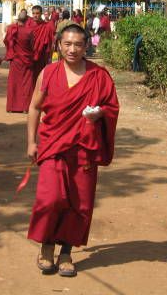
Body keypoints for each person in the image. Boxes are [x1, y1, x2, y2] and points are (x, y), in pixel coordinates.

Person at [26, 24, 120, 277]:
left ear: (86, 45)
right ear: (58, 45)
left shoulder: (99, 76)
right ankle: (46, 246)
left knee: (79, 202)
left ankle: (66, 251)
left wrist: (99, 113)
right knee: (51, 198)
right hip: (53, 144)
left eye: (78, 44)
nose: (72, 49)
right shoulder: (48, 73)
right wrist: (31, 142)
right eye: (67, 44)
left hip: (83, 148)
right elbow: (35, 107)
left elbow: (111, 107)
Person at [4, 9, 35, 113]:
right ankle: (26, 108)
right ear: (27, 20)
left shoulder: (11, 29)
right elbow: (32, 46)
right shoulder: (29, 31)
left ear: (17, 19)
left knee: (14, 83)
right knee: (27, 84)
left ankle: (12, 107)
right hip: (27, 60)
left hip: (16, 60)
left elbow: (7, 42)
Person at [27, 5, 56, 82]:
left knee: (40, 78)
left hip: (42, 57)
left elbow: (50, 44)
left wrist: (50, 57)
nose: (35, 15)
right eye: (33, 13)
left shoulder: (46, 27)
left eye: (37, 13)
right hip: (30, 56)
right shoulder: (28, 26)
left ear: (41, 14)